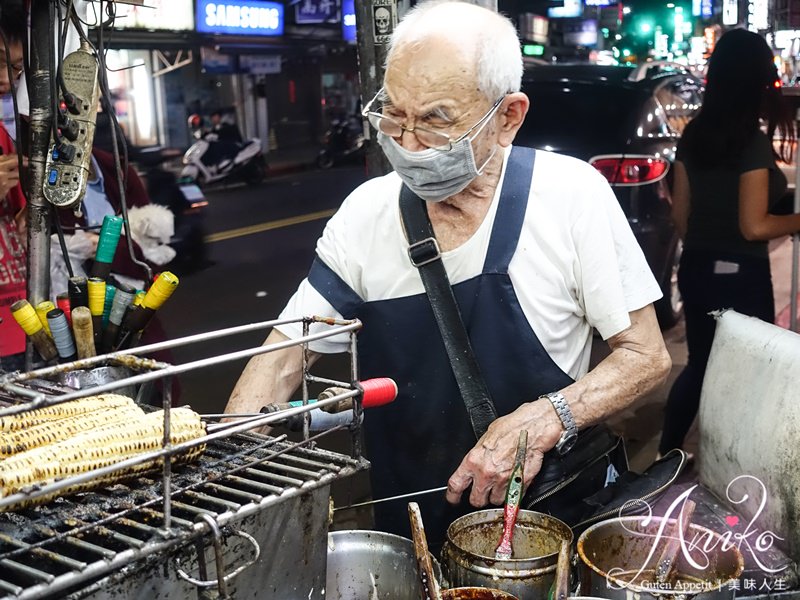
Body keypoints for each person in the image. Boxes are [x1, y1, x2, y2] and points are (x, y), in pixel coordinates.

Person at [225, 0, 671, 546]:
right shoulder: (368, 212)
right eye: (393, 115)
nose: (407, 146)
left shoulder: (571, 195)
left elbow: (646, 357)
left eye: (435, 121)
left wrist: (545, 418)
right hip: (407, 526)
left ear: (508, 117)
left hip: (542, 527)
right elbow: (283, 358)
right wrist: (229, 467)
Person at [658, 29, 800, 457]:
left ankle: (665, 455)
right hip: (743, 276)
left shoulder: (695, 134)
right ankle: (733, 463)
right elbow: (754, 226)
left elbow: (680, 216)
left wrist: (706, 246)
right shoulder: (751, 142)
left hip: (700, 270)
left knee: (701, 365)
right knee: (751, 370)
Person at [0, 5, 28, 373]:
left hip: (24, 322)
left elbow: (21, 224)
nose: (7, 76)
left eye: (17, 67)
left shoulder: (4, 138)